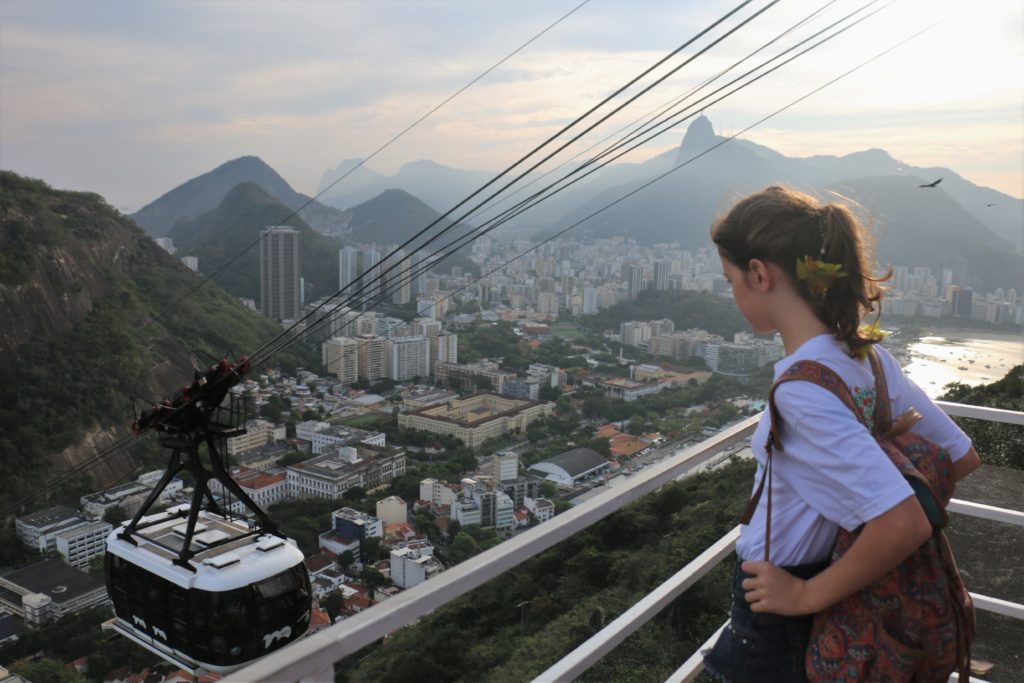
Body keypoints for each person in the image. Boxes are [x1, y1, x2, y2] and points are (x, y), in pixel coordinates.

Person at [701, 186, 980, 682]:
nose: (732, 293)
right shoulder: (868, 359)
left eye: (731, 280)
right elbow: (959, 456)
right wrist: (871, 475)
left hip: (783, 606)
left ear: (760, 273)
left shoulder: (800, 391)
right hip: (841, 591)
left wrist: (806, 594)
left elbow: (904, 522)